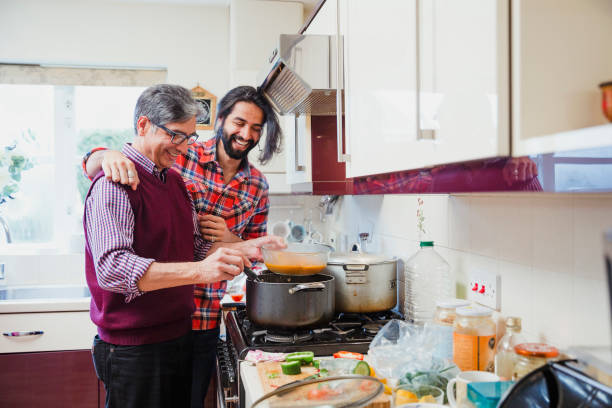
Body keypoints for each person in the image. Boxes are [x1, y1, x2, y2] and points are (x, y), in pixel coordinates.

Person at [83, 85, 283, 407]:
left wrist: (245, 246)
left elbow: (193, 246)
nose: (183, 146)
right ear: (144, 126)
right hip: (136, 345)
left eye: (188, 137)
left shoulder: (173, 180)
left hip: (179, 332)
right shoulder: (116, 182)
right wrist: (101, 155)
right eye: (176, 136)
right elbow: (113, 269)